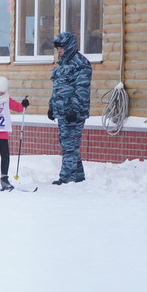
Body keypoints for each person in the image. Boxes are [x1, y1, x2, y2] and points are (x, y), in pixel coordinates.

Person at [48, 31, 93, 185]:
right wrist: (51, 106)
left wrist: (74, 109)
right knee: (68, 143)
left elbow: (82, 90)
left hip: (74, 112)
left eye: (61, 48)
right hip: (61, 111)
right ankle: (79, 175)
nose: (59, 51)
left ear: (69, 46)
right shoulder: (62, 64)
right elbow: (57, 88)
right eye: (58, 49)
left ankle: (66, 178)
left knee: (69, 145)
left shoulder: (81, 64)